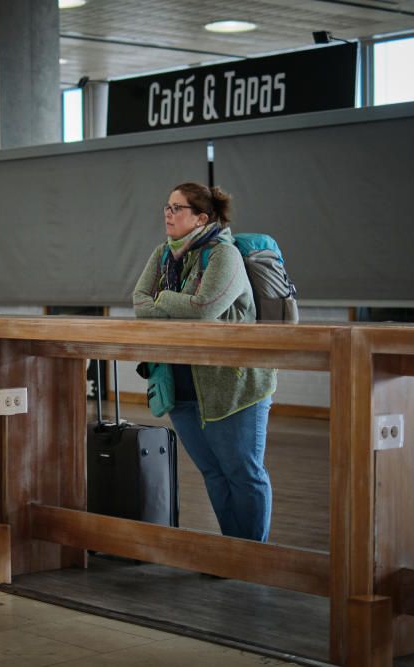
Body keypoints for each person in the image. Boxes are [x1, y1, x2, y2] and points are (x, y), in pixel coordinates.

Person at [132, 182, 277, 542]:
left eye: (177, 208)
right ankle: (231, 552)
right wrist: (171, 303)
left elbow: (206, 309)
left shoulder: (222, 254)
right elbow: (138, 302)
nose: (168, 213)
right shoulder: (163, 254)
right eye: (166, 206)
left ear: (201, 218)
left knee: (243, 472)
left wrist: (162, 299)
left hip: (233, 386)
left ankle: (253, 557)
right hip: (180, 383)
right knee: (213, 472)